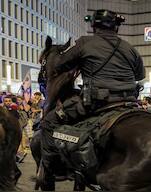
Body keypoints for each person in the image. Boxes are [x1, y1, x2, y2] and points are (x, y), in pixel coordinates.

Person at [39, 9, 145, 190]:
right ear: (116, 27)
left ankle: (49, 173)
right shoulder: (129, 48)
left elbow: (59, 64)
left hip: (97, 103)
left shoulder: (84, 43)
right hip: (129, 102)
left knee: (48, 123)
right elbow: (139, 74)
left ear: (94, 26)